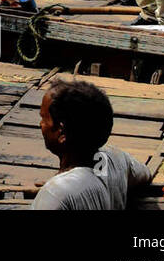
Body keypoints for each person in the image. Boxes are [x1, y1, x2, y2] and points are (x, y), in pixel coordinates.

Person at [33, 80, 152, 209]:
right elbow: (145, 174)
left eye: (44, 118)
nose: (41, 124)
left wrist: (53, 190)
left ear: (62, 132)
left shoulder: (54, 194)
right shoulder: (116, 159)